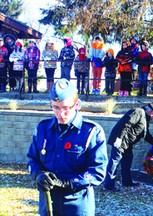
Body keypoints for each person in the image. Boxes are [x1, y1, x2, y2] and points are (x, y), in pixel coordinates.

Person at [27, 78, 108, 216]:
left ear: (76, 105)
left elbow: (98, 171)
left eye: (66, 108)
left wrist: (68, 183)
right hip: (48, 202)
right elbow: (32, 159)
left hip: (77, 205)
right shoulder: (43, 129)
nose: (61, 114)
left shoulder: (92, 132)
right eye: (56, 107)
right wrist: (38, 174)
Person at [104, 103, 153, 191]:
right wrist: (119, 138)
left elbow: (145, 134)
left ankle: (127, 182)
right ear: (150, 111)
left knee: (127, 161)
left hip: (127, 143)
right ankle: (109, 186)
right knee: (115, 162)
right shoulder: (138, 112)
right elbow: (125, 124)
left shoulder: (145, 118)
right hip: (120, 140)